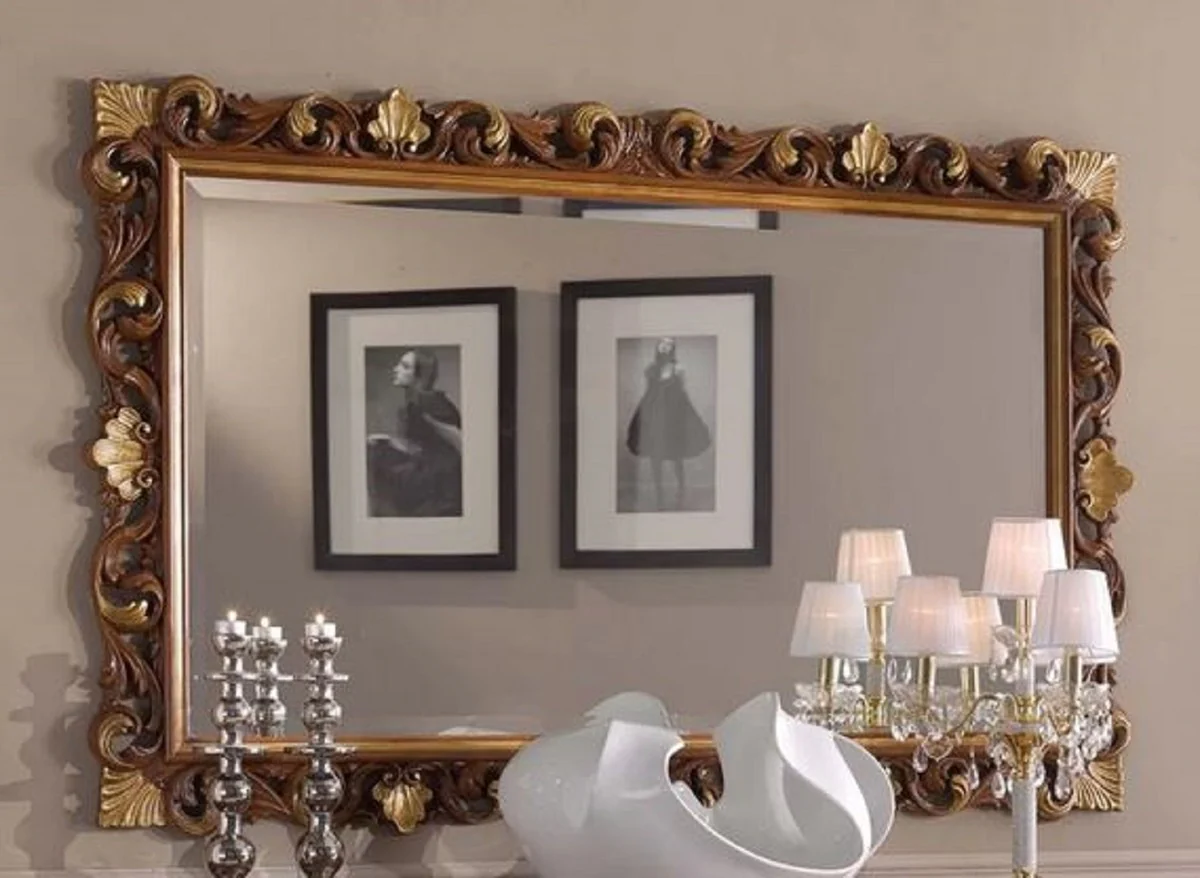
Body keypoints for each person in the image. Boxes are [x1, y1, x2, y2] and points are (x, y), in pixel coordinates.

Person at [366, 348, 463, 517]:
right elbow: (418, 446)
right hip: (429, 471)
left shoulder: (429, 401)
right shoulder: (413, 403)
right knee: (376, 449)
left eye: (404, 366)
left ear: (419, 375)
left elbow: (458, 440)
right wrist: (387, 440)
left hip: (441, 482)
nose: (396, 369)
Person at [626, 337, 711, 511]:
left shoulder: (678, 369)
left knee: (676, 456)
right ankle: (659, 496)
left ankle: (681, 490)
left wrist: (686, 418)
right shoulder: (650, 369)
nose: (665, 348)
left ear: (673, 349)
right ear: (658, 348)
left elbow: (682, 393)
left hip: (672, 418)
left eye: (669, 345)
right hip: (655, 417)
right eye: (662, 345)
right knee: (655, 457)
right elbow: (649, 392)